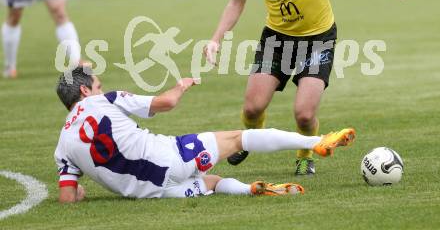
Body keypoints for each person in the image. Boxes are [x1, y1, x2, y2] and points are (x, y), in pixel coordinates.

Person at [204, 0, 403, 176]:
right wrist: (215, 39)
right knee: (252, 109)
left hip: (318, 37)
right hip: (277, 38)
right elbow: (237, 2)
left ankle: (304, 155)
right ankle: (249, 140)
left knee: (305, 114)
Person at [54, 66, 355, 202]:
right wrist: (181, 85)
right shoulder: (102, 100)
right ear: (84, 91)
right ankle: (316, 142)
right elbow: (166, 102)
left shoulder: (63, 146)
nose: (100, 88)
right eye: (96, 84)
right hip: (169, 157)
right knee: (237, 138)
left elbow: (67, 196)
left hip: (151, 193)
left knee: (211, 182)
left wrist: (80, 194)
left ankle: (250, 189)